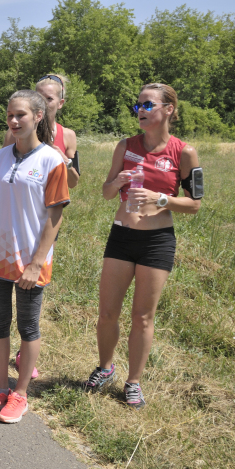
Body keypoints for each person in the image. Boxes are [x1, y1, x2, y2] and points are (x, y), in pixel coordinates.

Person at [83, 84, 202, 409]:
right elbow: (106, 193)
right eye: (137, 106)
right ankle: (105, 368)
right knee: (107, 313)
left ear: (168, 110)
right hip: (122, 235)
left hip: (157, 241)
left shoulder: (185, 152)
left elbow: (194, 205)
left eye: (148, 105)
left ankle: (133, 381)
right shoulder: (125, 146)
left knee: (143, 317)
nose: (141, 111)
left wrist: (160, 199)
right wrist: (117, 182)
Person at [0, 73, 80, 376]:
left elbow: (64, 196)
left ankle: (23, 372)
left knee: (27, 319)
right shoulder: (5, 149)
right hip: (1, 241)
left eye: (48, 98)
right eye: (10, 114)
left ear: (54, 105)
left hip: (35, 236)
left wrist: (63, 160)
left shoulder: (63, 141)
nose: (13, 119)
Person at [0, 90, 69, 423]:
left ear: (39, 116)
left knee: (28, 328)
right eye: (10, 115)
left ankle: (20, 394)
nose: (14, 121)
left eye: (21, 115)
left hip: (30, 263)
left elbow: (55, 216)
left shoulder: (52, 160)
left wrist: (36, 263)